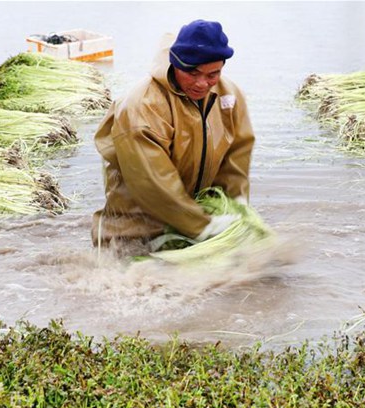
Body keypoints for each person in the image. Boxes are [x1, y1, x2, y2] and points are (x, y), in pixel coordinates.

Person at [91, 20, 255, 252]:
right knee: (131, 285)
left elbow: (237, 156)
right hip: (134, 232)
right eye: (193, 72)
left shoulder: (228, 95)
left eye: (213, 74)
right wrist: (203, 227)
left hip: (191, 227)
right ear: (175, 63)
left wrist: (235, 205)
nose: (202, 83)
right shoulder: (142, 106)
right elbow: (153, 183)